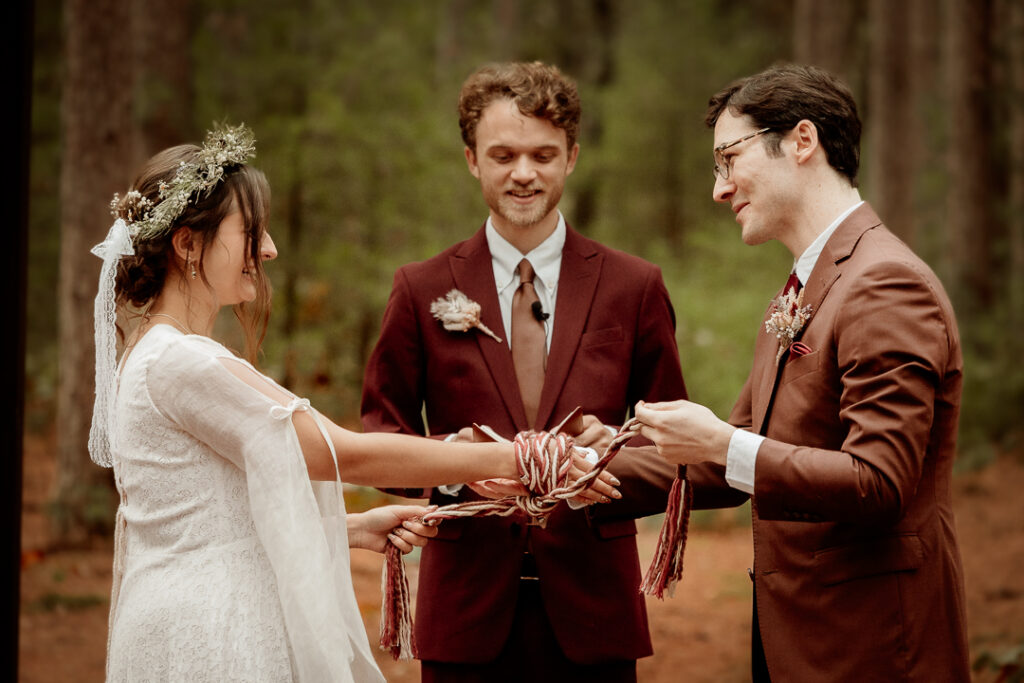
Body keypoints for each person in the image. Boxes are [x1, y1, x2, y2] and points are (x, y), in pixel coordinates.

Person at [89, 124, 606, 682]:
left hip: (202, 606)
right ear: (188, 243)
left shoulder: (170, 355)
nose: (269, 249)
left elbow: (211, 511)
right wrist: (517, 459)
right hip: (211, 628)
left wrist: (352, 528)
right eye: (252, 232)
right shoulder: (180, 362)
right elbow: (343, 452)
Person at [635, 64, 970, 681]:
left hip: (871, 648)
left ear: (802, 141)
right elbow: (729, 459)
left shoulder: (884, 283)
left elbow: (878, 482)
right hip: (804, 640)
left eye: (728, 159)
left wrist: (724, 442)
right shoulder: (804, 287)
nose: (719, 188)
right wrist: (584, 468)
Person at [361, 61, 687, 681]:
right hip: (465, 613)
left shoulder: (634, 286)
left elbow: (673, 441)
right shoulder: (420, 287)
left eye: (543, 154)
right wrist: (453, 462)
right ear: (471, 160)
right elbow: (381, 437)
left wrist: (610, 458)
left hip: (596, 614)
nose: (523, 173)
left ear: (572, 158)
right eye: (503, 154)